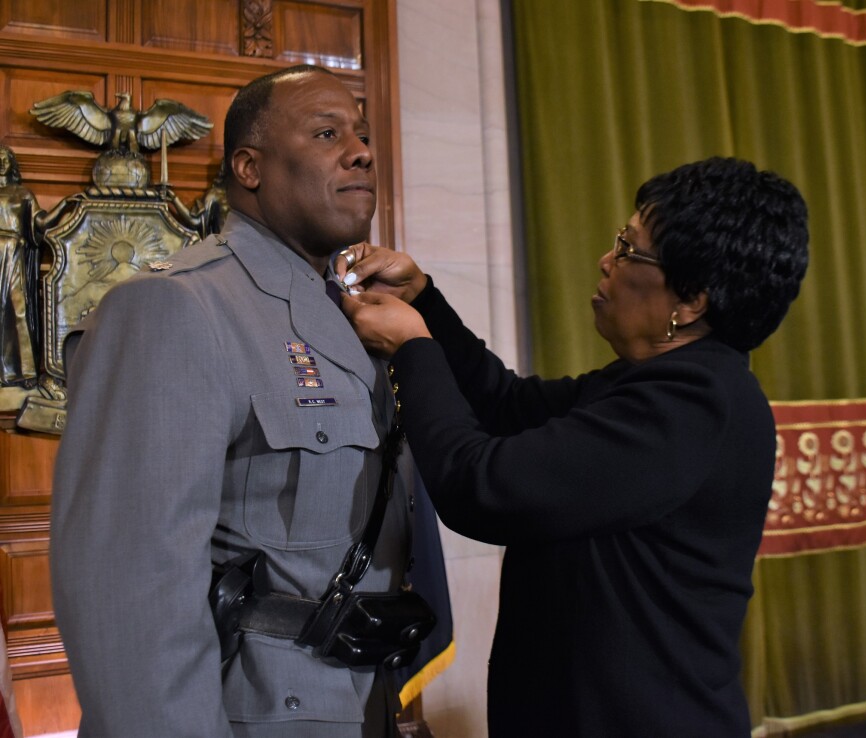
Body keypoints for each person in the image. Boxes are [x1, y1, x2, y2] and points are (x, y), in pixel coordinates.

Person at [338, 157, 810, 736]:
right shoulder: (659, 382)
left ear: (692, 301)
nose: (605, 261)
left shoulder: (694, 404)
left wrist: (413, 348)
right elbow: (506, 406)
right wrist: (425, 302)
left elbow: (480, 487)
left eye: (629, 249)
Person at [50, 65, 417, 738]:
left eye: (362, 135)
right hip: (254, 713)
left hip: (365, 705)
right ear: (250, 167)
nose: (362, 150)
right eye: (327, 132)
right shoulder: (174, 306)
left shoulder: (362, 320)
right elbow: (130, 591)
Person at [0, 145, 40, 388]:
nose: (2, 162)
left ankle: (25, 371)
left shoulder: (23, 194)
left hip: (14, 252)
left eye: (5, 158)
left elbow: (39, 223)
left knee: (18, 308)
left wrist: (68, 210)